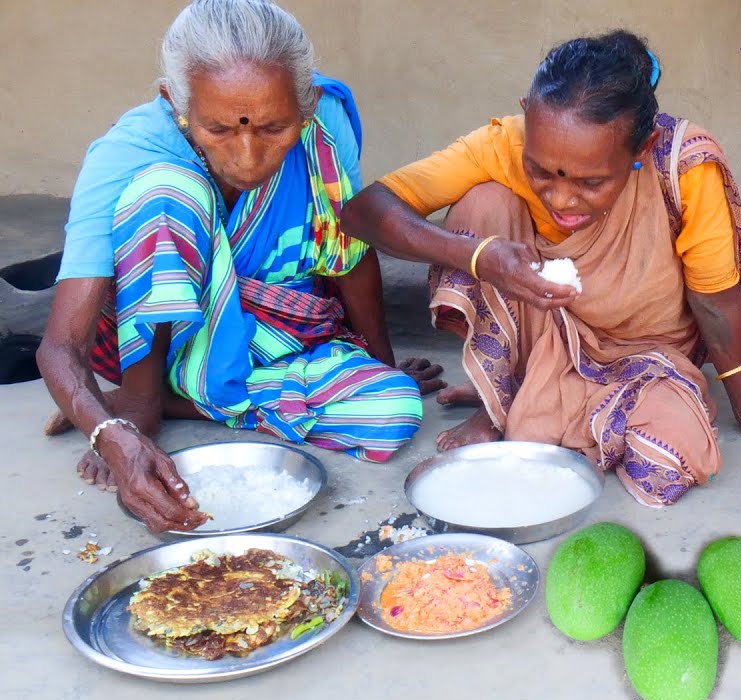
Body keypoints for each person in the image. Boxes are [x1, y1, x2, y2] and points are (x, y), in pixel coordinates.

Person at [37, 0, 443, 533]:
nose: (249, 157)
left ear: (308, 104)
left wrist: (380, 363)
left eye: (274, 128)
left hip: (280, 341)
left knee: (392, 409)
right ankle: (139, 399)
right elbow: (60, 345)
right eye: (219, 130)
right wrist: (107, 432)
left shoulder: (327, 123)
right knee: (166, 190)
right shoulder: (125, 155)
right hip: (171, 334)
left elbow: (350, 254)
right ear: (173, 103)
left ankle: (178, 403)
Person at [341, 31, 741, 507]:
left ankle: (528, 407)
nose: (561, 199)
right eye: (541, 171)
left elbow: (716, 303)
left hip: (644, 354)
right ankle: (505, 402)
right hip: (540, 333)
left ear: (643, 147)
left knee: (669, 462)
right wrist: (477, 256)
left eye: (591, 182)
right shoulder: (504, 141)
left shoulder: (683, 166)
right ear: (527, 116)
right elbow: (364, 211)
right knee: (484, 205)